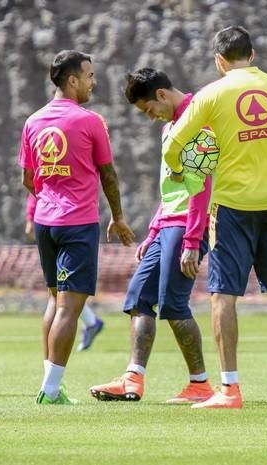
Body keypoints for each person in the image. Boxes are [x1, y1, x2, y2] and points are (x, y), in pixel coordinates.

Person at [162, 26, 267, 408]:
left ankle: (229, 389)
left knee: (223, 296)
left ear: (219, 61)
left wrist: (186, 171)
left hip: (233, 208)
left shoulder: (212, 93)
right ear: (253, 53)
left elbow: (172, 147)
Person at [88, 68, 214, 404]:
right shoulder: (169, 128)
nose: (150, 117)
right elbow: (170, 189)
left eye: (148, 109)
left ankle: (200, 384)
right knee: (139, 299)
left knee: (173, 306)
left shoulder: (197, 120)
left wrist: (191, 240)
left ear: (161, 94)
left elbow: (201, 187)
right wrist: (153, 230)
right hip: (167, 226)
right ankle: (133, 379)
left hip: (187, 225)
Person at [18, 50, 135, 405]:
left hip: (45, 223)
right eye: (89, 76)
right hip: (78, 223)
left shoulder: (33, 121)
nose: (93, 82)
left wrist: (52, 197)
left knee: (55, 301)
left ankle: (49, 384)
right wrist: (117, 215)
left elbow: (28, 179)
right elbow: (108, 174)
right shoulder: (90, 121)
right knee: (71, 308)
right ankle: (51, 390)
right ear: (72, 80)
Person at [25, 193, 105, 352]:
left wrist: (30, 215)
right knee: (58, 293)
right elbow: (36, 183)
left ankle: (91, 322)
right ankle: (91, 322)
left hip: (64, 221)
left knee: (60, 294)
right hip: (49, 220)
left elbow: (34, 182)